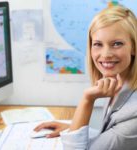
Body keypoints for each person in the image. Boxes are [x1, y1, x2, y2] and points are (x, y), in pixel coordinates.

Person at [34, 5, 137, 150]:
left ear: (133, 47)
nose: (106, 53)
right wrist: (73, 128)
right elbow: (113, 135)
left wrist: (87, 100)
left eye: (117, 44)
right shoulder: (117, 81)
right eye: (98, 44)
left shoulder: (134, 113)